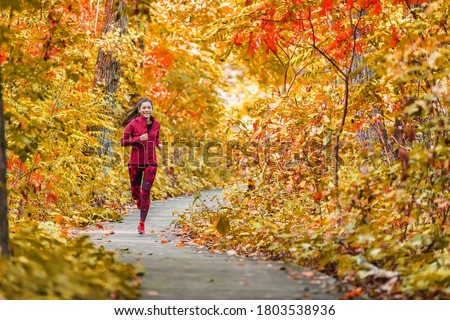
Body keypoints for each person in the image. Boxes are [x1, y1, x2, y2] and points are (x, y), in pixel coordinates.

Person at [121, 97, 163, 235]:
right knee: (136, 192)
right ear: (139, 110)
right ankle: (137, 199)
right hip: (135, 162)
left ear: (152, 109)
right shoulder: (133, 124)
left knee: (146, 191)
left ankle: (141, 224)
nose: (147, 110)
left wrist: (159, 144)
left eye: (149, 108)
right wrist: (139, 139)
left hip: (151, 162)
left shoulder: (156, 124)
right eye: (144, 108)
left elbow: (156, 138)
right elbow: (123, 141)